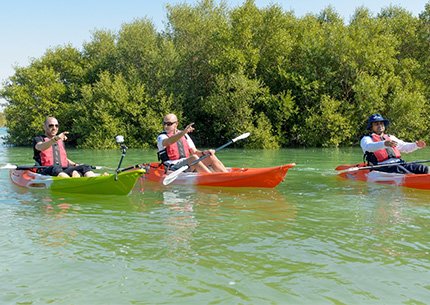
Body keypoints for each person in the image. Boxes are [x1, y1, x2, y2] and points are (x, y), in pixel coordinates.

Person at [157, 113, 228, 173]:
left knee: (210, 156)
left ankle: (226, 175)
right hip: (171, 167)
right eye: (164, 123)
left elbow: (195, 152)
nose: (166, 126)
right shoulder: (161, 137)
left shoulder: (184, 135)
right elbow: (169, 141)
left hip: (187, 164)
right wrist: (184, 132)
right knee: (193, 158)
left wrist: (204, 153)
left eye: (169, 124)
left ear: (176, 124)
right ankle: (210, 177)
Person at [360, 113, 428, 174]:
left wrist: (416, 145)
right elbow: (368, 147)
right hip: (382, 166)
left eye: (381, 123)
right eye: (376, 124)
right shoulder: (367, 139)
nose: (380, 125)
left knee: (422, 168)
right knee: (402, 170)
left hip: (399, 163)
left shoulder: (390, 137)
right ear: (371, 127)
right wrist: (384, 144)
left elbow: (404, 147)